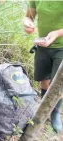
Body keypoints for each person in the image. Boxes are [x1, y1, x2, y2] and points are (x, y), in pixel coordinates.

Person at [23, 1, 63, 133]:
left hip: (61, 47)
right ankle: (43, 109)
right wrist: (27, 23)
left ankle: (55, 113)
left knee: (58, 83)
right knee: (44, 78)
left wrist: (57, 33)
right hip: (43, 44)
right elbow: (29, 16)